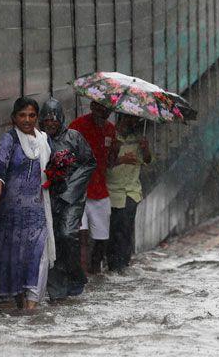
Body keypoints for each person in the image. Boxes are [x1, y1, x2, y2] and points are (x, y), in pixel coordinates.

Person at [0, 97, 54, 310]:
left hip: (38, 213)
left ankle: (31, 310)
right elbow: (0, 164)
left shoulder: (44, 140)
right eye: (22, 115)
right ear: (13, 118)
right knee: (14, 259)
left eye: (32, 115)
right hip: (12, 215)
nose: (27, 120)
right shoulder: (9, 140)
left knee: (39, 257)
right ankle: (19, 313)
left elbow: (53, 169)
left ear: (37, 117)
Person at [40, 98, 96, 300]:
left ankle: (75, 276)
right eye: (46, 120)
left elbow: (89, 163)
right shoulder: (40, 140)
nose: (51, 123)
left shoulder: (74, 137)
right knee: (52, 240)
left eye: (54, 119)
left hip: (72, 197)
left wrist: (70, 190)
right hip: (49, 196)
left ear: (61, 119)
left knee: (66, 235)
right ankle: (56, 289)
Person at [69, 101, 117, 274]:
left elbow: (110, 164)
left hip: (100, 191)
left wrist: (115, 152)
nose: (103, 112)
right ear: (92, 106)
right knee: (81, 235)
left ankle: (95, 271)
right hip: (79, 190)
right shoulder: (77, 126)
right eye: (100, 108)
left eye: (107, 109)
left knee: (101, 237)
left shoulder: (111, 130)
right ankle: (81, 275)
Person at [106, 114, 152, 272]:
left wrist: (146, 150)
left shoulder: (138, 138)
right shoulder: (110, 136)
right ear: (121, 119)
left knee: (125, 228)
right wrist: (118, 154)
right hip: (112, 191)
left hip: (131, 191)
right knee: (114, 229)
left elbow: (147, 160)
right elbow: (105, 163)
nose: (132, 122)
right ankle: (113, 265)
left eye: (134, 120)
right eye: (128, 119)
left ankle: (123, 264)